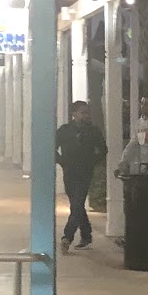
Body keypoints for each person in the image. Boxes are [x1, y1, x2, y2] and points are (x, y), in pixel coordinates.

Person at [55, 99, 106, 252]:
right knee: (77, 205)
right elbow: (53, 146)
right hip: (69, 171)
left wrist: (92, 161)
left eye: (87, 113)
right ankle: (86, 235)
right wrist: (62, 161)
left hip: (85, 172)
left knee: (77, 203)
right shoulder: (64, 130)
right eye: (82, 112)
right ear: (74, 114)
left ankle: (67, 237)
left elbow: (103, 149)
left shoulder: (93, 131)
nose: (86, 116)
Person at [115, 94, 148, 178]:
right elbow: (133, 144)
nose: (144, 107)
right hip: (143, 167)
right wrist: (123, 162)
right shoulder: (139, 124)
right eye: (142, 103)